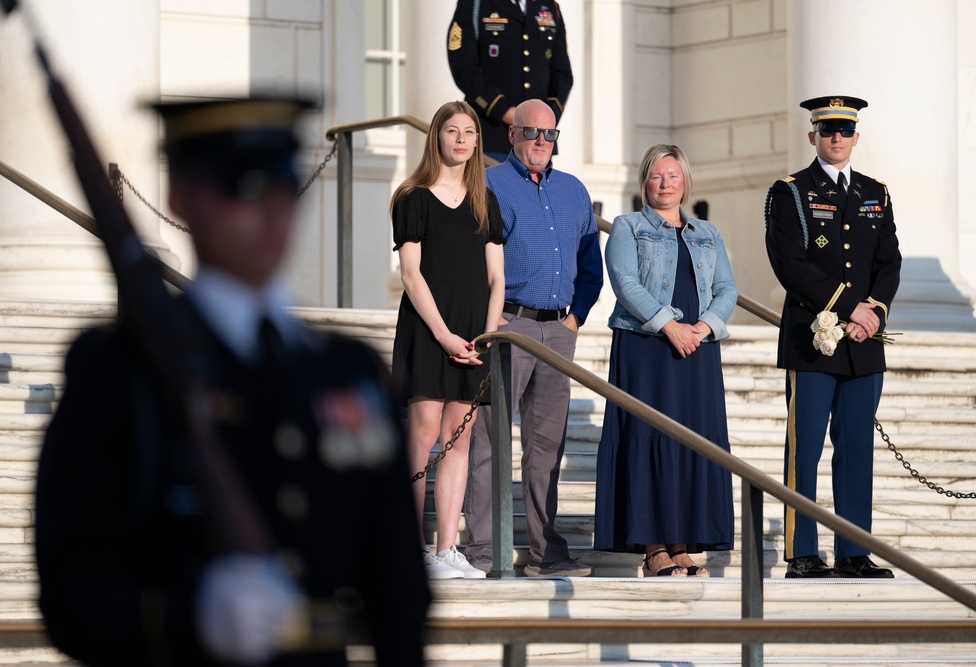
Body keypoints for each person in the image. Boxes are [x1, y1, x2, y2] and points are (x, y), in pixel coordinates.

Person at [35, 97, 430, 666]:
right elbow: (74, 600)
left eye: (284, 185)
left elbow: (399, 592)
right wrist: (190, 619)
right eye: (244, 188)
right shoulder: (118, 372)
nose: (272, 210)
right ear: (182, 199)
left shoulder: (345, 371)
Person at [463, 98, 603, 577]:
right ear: (512, 136)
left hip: (558, 330)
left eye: (549, 134)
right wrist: (486, 318)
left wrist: (576, 318)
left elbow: (591, 261)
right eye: (532, 133)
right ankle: (483, 549)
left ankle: (546, 553)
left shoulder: (573, 190)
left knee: (547, 446)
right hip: (506, 325)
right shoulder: (485, 183)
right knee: (487, 441)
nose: (541, 142)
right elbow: (466, 256)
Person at [764, 96, 901, 579]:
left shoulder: (874, 192)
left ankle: (853, 550)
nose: (836, 138)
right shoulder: (791, 192)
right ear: (813, 137)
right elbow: (789, 264)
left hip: (863, 344)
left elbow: (889, 262)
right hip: (812, 340)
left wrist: (875, 315)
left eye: (844, 131)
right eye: (827, 131)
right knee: (805, 448)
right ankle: (802, 551)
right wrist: (850, 307)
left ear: (856, 137)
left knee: (856, 445)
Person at [593, 144, 737, 577]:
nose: (665, 184)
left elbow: (728, 288)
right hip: (646, 349)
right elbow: (625, 282)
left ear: (685, 182)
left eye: (673, 176)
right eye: (657, 176)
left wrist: (705, 326)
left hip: (697, 349)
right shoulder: (627, 226)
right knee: (648, 436)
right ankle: (654, 547)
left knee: (691, 441)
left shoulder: (707, 233)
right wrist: (668, 325)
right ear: (644, 182)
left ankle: (681, 544)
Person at [390, 100, 506, 580]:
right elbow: (411, 274)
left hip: (474, 336)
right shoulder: (412, 197)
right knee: (421, 437)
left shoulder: (486, 201)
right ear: (436, 136)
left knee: (459, 443)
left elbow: (497, 277)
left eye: (470, 132)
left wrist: (488, 334)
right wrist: (443, 335)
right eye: (452, 130)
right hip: (429, 328)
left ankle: (446, 549)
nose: (461, 139)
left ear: (478, 141)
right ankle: (410, 545)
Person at [447, 0, 573, 162]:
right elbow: (464, 68)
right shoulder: (474, 5)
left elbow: (563, 75)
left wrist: (544, 121)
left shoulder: (550, 7)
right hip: (493, 137)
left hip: (539, 141)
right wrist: (506, 112)